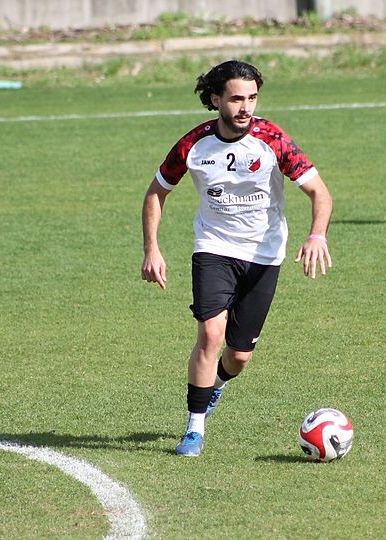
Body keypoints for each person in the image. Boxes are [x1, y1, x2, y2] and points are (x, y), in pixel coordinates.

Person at [140, 60, 333, 456]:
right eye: (236, 99)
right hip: (214, 247)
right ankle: (194, 429)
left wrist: (317, 234)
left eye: (252, 98)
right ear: (216, 100)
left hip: (264, 253)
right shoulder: (193, 145)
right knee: (211, 334)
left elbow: (320, 193)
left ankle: (215, 385)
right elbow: (156, 193)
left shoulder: (272, 139)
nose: (246, 108)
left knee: (239, 356)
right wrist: (152, 249)